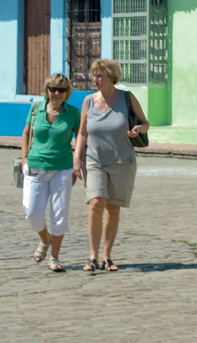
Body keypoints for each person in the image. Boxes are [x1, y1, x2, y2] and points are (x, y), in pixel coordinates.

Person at [73, 59, 149, 272]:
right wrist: (76, 157)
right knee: (96, 202)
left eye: (99, 76)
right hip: (95, 160)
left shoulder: (126, 98)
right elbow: (82, 132)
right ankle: (92, 257)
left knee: (113, 208)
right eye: (94, 75)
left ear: (111, 78)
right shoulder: (88, 101)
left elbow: (145, 122)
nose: (95, 79)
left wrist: (139, 130)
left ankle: (107, 257)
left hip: (122, 161)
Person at [21, 73, 81, 272]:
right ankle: (44, 239)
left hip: (62, 170)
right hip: (35, 167)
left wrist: (76, 162)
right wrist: (23, 159)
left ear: (67, 93)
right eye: (53, 89)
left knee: (59, 214)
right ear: (47, 90)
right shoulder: (36, 108)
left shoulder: (73, 113)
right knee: (31, 212)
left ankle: (54, 256)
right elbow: (26, 133)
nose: (56, 93)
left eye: (61, 90)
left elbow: (81, 137)